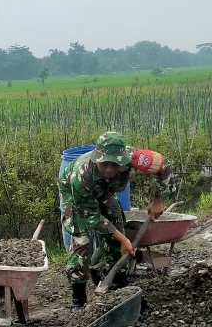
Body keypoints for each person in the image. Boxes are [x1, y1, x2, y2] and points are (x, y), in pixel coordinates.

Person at [58, 130, 174, 311]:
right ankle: (78, 299)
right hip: (77, 197)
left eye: (116, 164)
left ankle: (119, 285)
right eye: (105, 164)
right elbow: (92, 218)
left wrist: (158, 199)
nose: (110, 169)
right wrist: (123, 239)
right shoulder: (81, 175)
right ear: (97, 158)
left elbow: (164, 165)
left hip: (105, 192)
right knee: (82, 242)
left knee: (117, 229)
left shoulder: (135, 157)